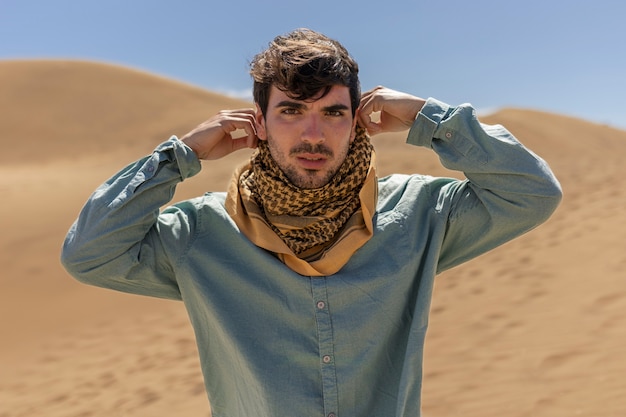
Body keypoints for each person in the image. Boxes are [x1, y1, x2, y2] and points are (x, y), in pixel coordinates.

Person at [61, 28, 562, 417]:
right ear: (256, 120)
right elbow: (89, 254)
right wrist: (179, 156)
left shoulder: (419, 213)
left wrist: (425, 116)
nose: (313, 133)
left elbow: (532, 192)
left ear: (358, 119)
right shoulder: (202, 232)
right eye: (292, 110)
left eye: (334, 112)